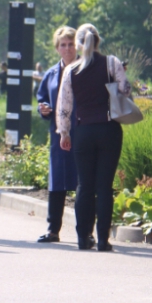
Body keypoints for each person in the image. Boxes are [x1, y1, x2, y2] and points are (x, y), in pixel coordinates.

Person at [56, 23, 129, 252]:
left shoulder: (71, 70)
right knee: (104, 187)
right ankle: (103, 240)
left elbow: (64, 105)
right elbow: (125, 90)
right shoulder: (112, 63)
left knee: (84, 186)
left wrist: (64, 132)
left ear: (78, 44)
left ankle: (82, 238)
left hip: (83, 130)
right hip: (109, 128)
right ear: (99, 41)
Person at [35, 27, 77, 243]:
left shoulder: (84, 70)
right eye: (63, 44)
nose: (67, 48)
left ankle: (84, 231)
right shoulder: (51, 74)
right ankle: (53, 230)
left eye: (71, 44)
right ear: (57, 48)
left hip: (81, 133)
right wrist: (42, 109)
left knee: (83, 183)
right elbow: (42, 98)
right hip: (58, 135)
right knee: (57, 181)